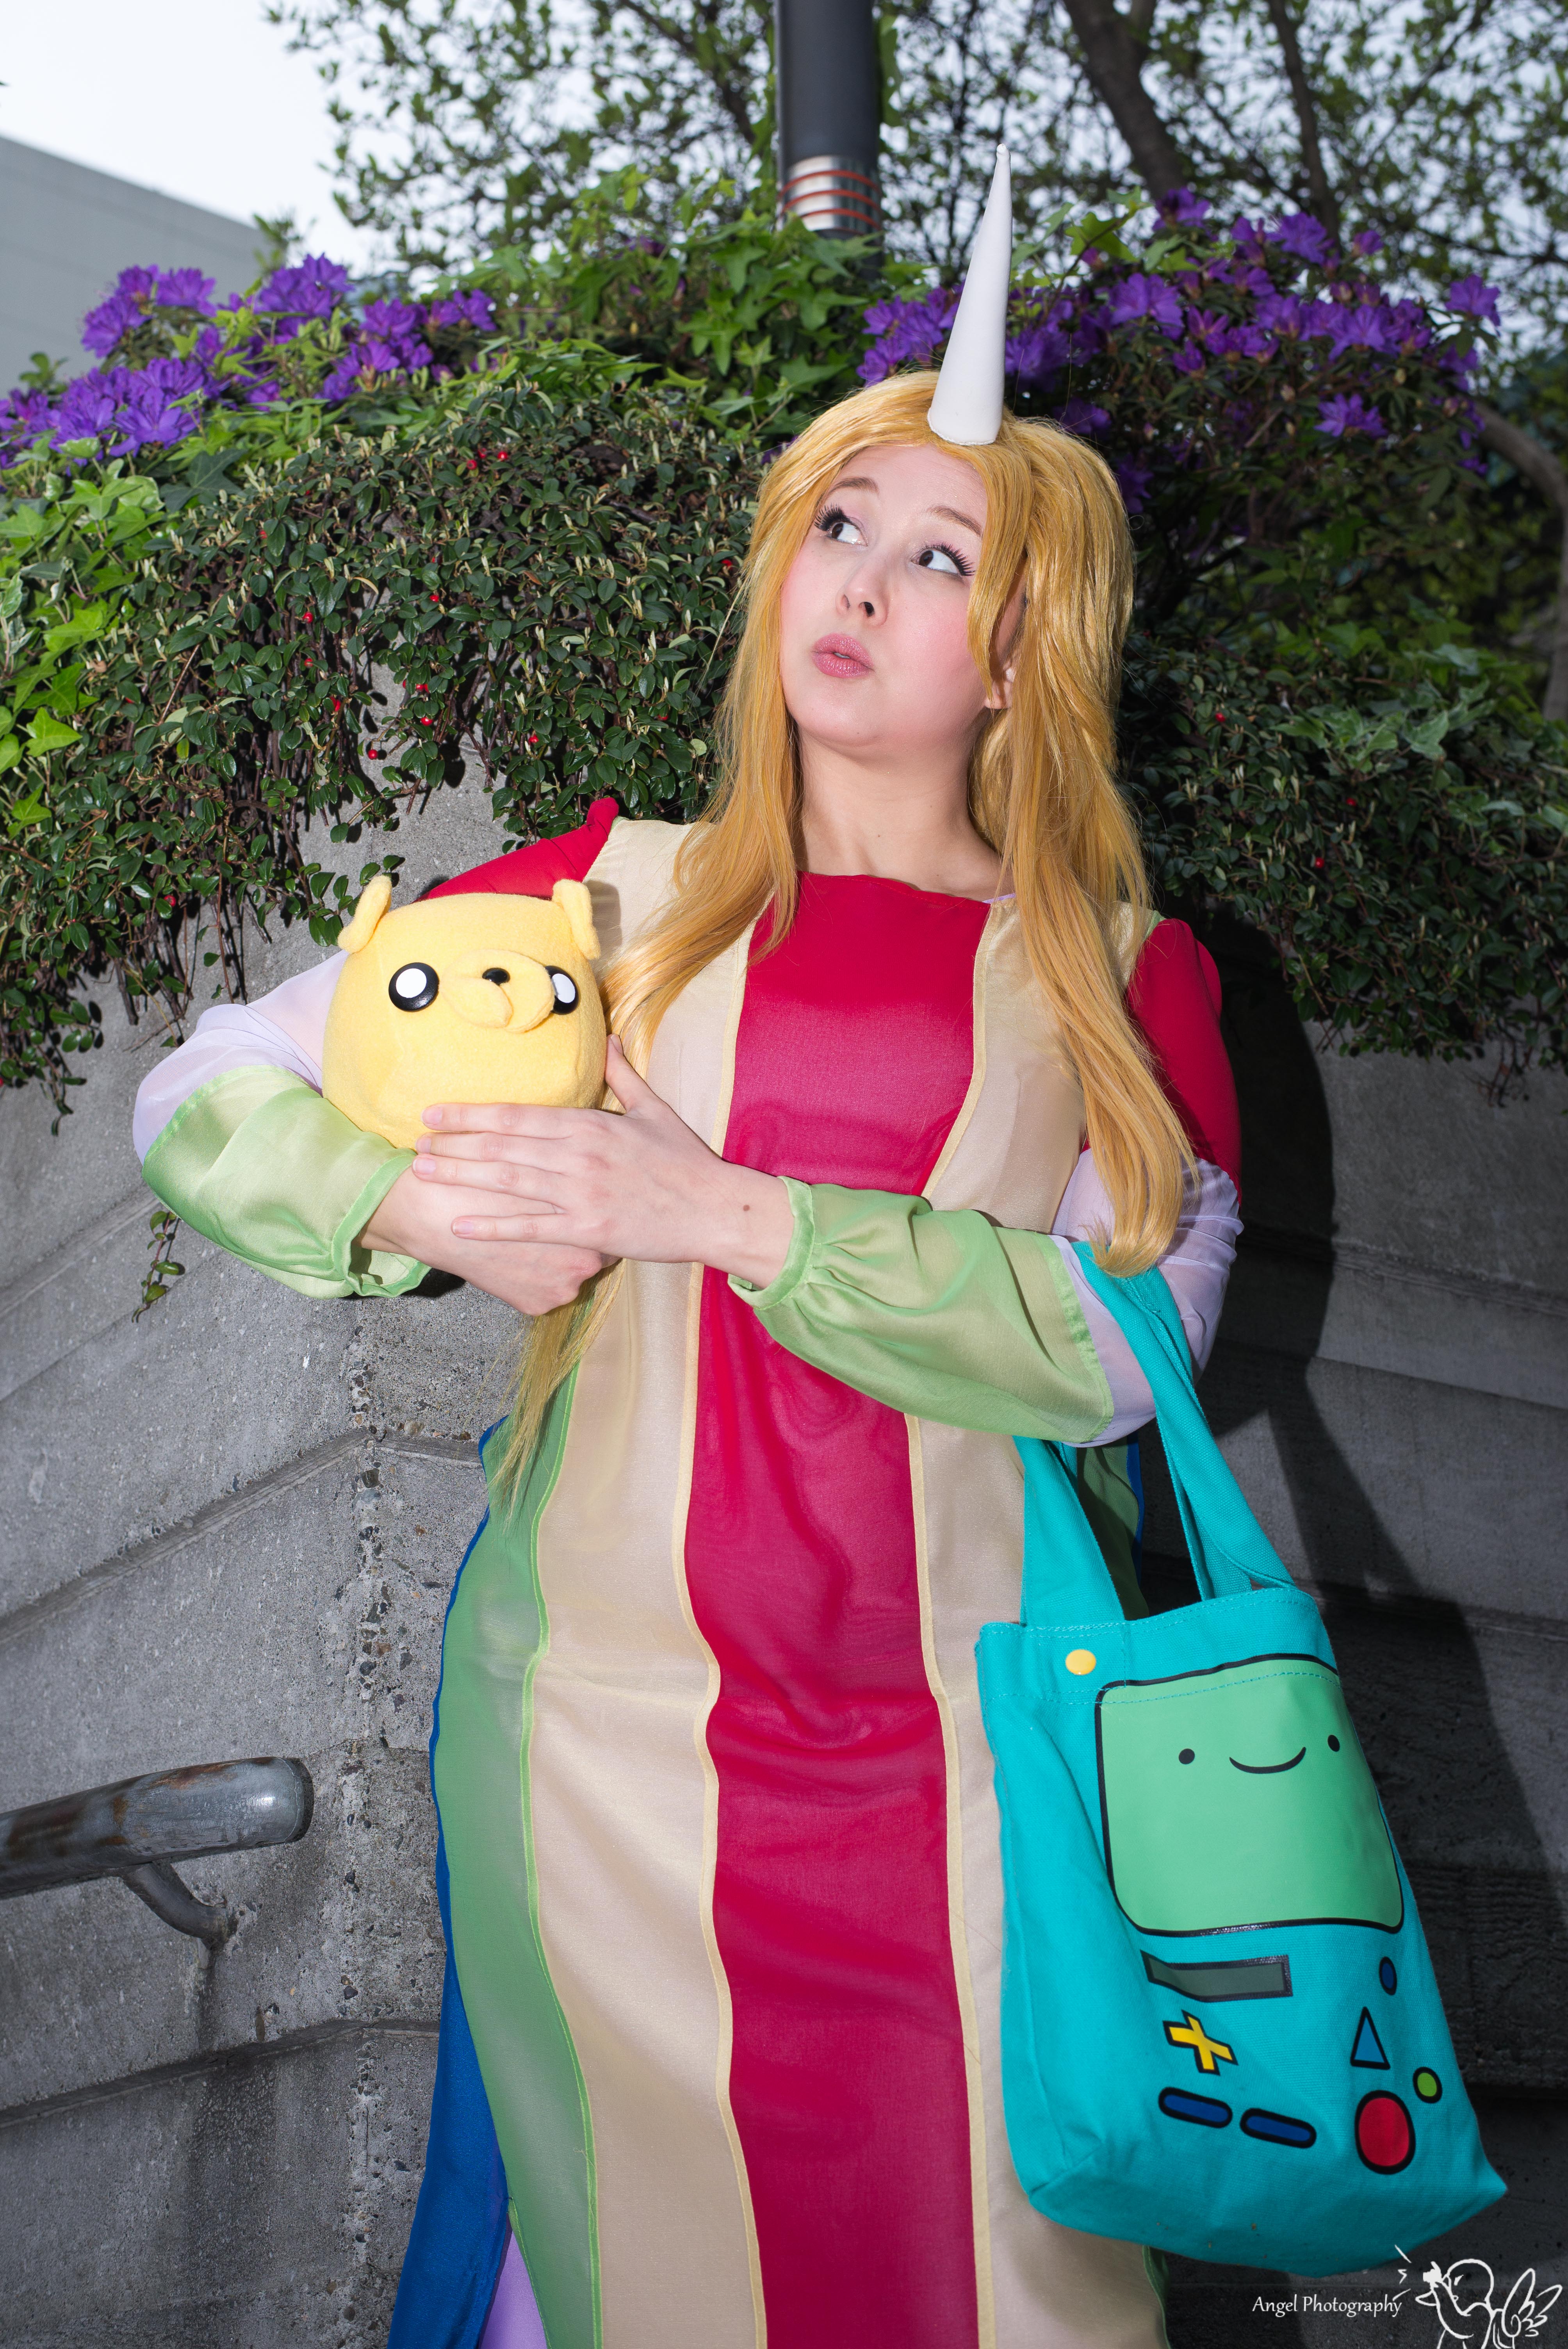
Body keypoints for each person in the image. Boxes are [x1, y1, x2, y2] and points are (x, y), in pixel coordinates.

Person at [134, 153, 1240, 2349]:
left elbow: (1131, 1347)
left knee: (1002, 2279)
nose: (863, 584)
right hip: (596, 1745)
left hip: (981, 1769)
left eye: (942, 558)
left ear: (1027, 652)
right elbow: (204, 1086)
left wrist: (708, 1208)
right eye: (839, 526)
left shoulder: (1125, 973)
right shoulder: (601, 896)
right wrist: (402, 1203)